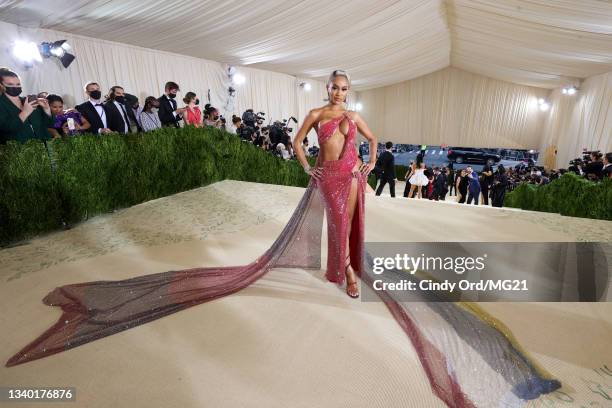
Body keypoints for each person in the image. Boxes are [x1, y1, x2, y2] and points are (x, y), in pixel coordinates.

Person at [6, 70, 563, 407]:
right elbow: (300, 142)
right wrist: (305, 166)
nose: (340, 94)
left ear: (352, 90)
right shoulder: (318, 112)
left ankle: (346, 271)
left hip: (351, 181)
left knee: (346, 229)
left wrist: (366, 165)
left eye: (345, 89)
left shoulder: (357, 114)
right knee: (329, 227)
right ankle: (338, 269)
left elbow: (372, 143)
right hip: (325, 177)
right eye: (336, 87)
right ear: (327, 89)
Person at [0, 67, 54, 143]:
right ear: (1, 85)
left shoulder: (27, 100)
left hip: (43, 148)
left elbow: (49, 124)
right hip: (19, 151)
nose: (15, 87)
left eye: (18, 84)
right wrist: (25, 112)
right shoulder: (2, 104)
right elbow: (6, 129)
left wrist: (47, 109)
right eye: (10, 84)